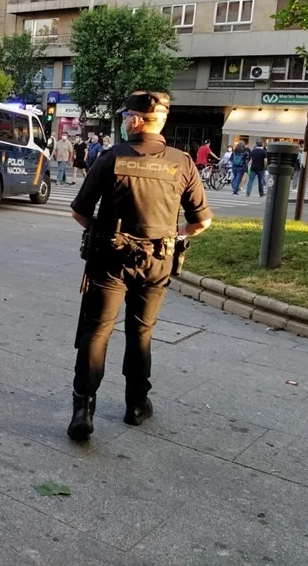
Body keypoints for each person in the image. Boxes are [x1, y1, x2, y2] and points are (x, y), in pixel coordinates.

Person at [67, 91, 213, 441]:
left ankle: (83, 410)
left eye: (124, 116)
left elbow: (79, 212)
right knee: (141, 332)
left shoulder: (111, 158)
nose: (122, 122)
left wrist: (105, 233)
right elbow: (202, 221)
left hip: (109, 261)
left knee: (97, 331)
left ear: (135, 121)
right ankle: (136, 405)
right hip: (157, 261)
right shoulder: (182, 162)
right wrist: (172, 233)